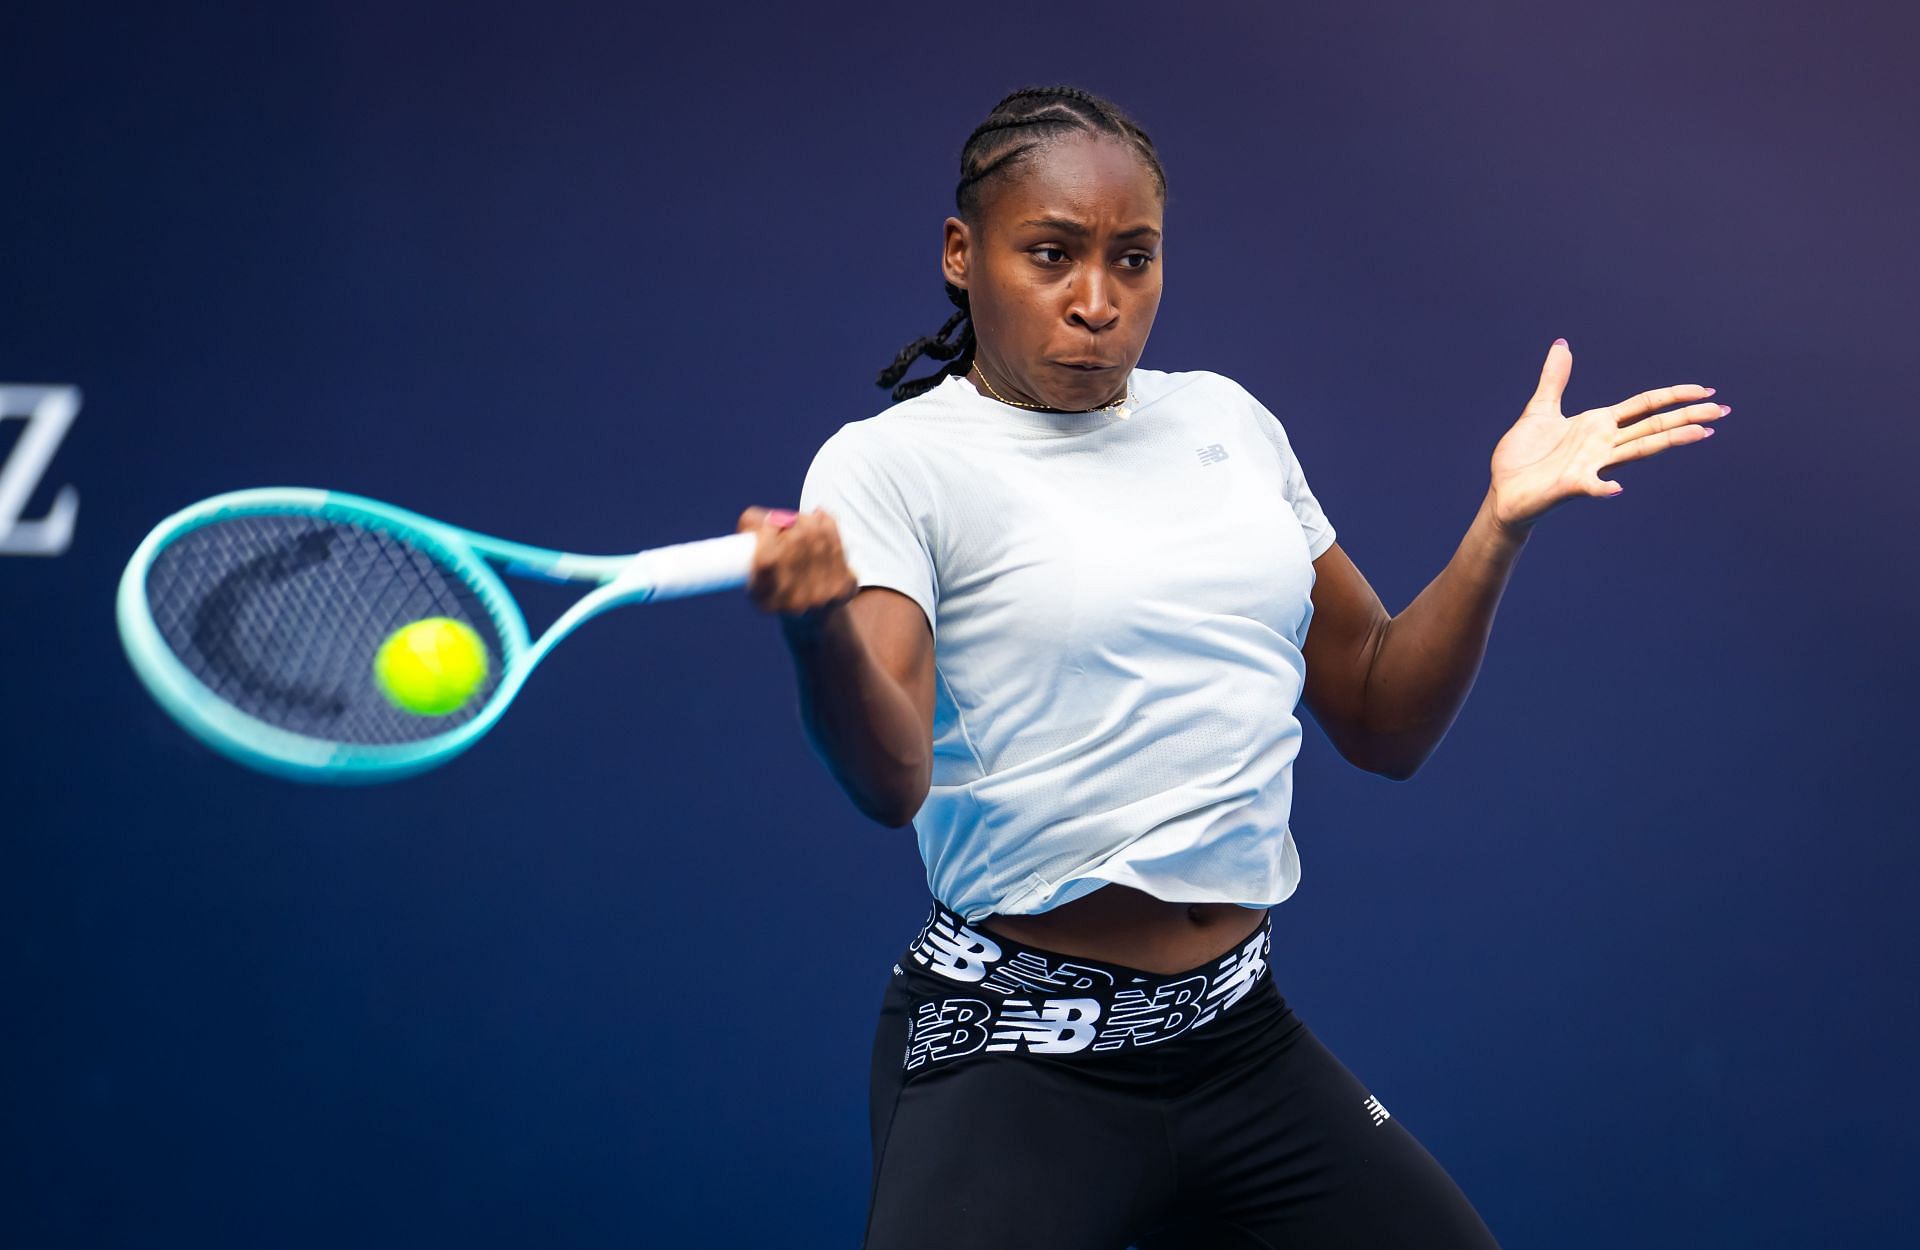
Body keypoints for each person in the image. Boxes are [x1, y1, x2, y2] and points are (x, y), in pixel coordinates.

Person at [736, 85, 1725, 1250]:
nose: (1096, 302)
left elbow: (1379, 713)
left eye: (1133, 259)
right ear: (964, 255)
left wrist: (1498, 522)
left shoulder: (1226, 423)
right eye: (1049, 255)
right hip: (1013, 1059)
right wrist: (815, 628)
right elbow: (891, 776)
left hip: (1236, 1038)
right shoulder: (895, 465)